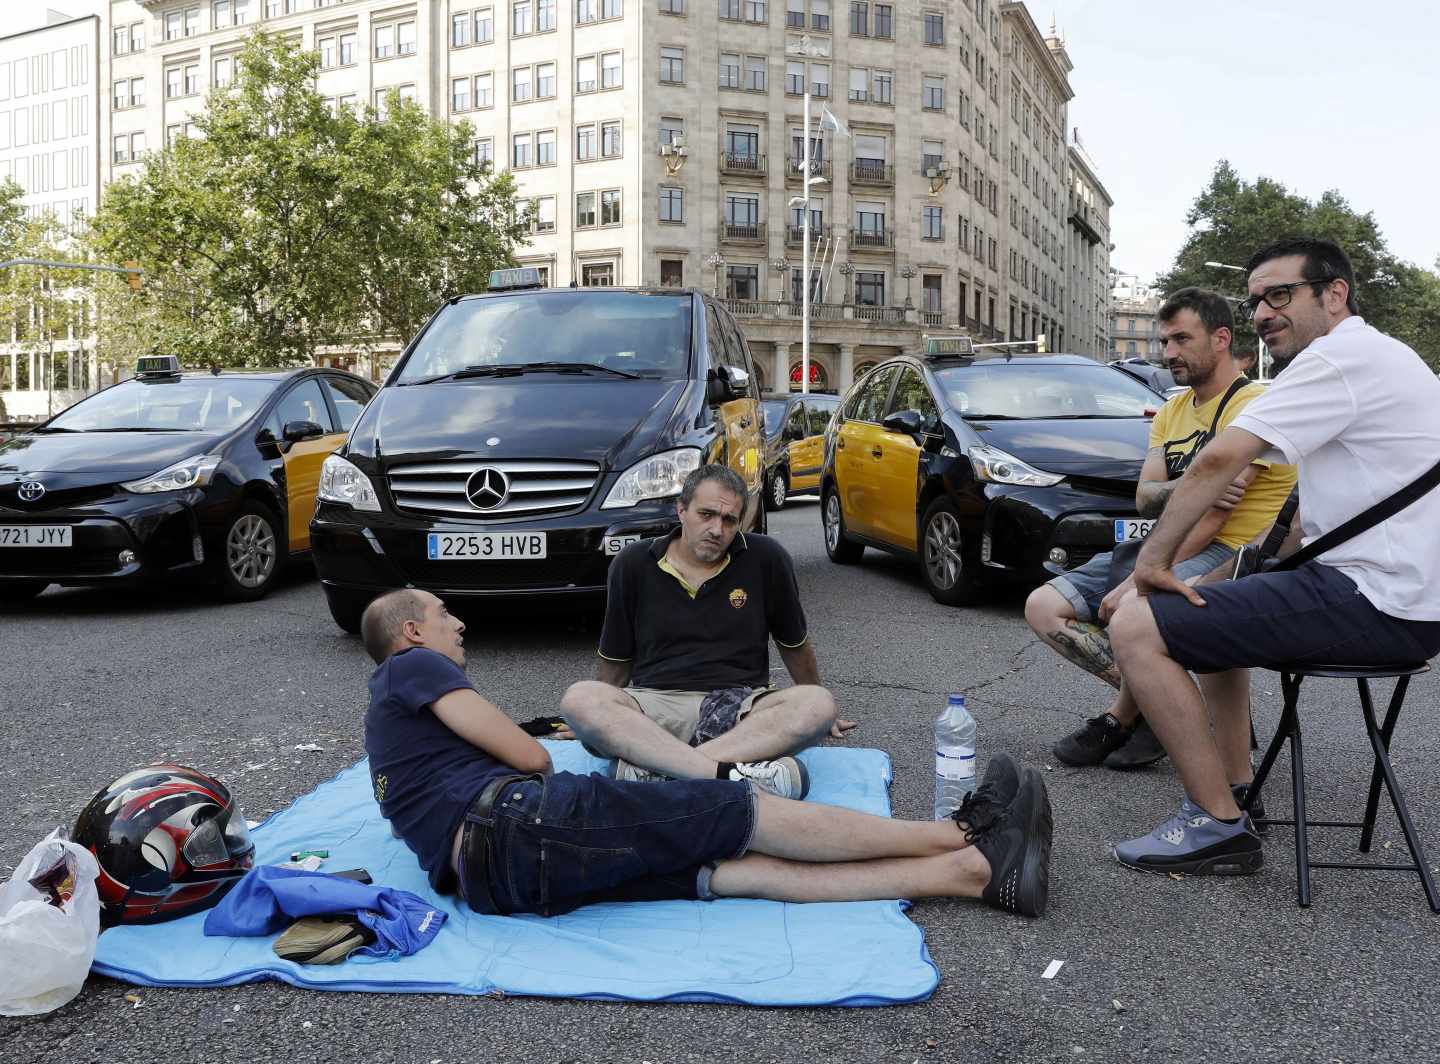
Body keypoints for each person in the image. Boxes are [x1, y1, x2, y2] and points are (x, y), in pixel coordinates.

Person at [360, 588, 1055, 918]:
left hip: (498, 883)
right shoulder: (410, 667)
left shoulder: (389, 727)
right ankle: (962, 831)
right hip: (518, 824)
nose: (461, 624)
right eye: (448, 615)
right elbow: (530, 758)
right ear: (413, 631)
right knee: (738, 810)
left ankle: (972, 875)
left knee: (734, 870)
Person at [1108, 237, 1440, 876]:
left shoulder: (1336, 361)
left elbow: (1217, 460)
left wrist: (1152, 567)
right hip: (1400, 598)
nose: (1262, 312)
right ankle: (1232, 786)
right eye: (1256, 299)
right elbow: (1296, 528)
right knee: (1205, 606)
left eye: (1281, 295)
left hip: (1374, 599)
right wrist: (1215, 574)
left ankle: (1217, 825)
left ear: (1334, 294)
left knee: (1136, 626)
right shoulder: (1379, 357)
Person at [1024, 288, 1296, 774]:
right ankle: (1161, 708)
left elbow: (1215, 515)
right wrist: (1193, 486)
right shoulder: (1172, 410)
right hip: (1166, 541)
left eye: (1180, 339)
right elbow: (1144, 495)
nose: (1167, 352)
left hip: (1229, 552)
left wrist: (1140, 577)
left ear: (1221, 339)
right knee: (1043, 607)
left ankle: (1120, 720)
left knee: (1132, 610)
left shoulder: (1254, 405)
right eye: (1164, 340)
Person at [559, 465, 855, 798]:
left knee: (818, 703)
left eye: (729, 520)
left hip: (742, 711)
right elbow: (615, 663)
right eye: (707, 514)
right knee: (580, 699)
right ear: (681, 510)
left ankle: (663, 772)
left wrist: (820, 711)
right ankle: (732, 772)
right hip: (655, 709)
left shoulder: (766, 558)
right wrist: (595, 723)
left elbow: (794, 644)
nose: (717, 529)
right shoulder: (633, 563)